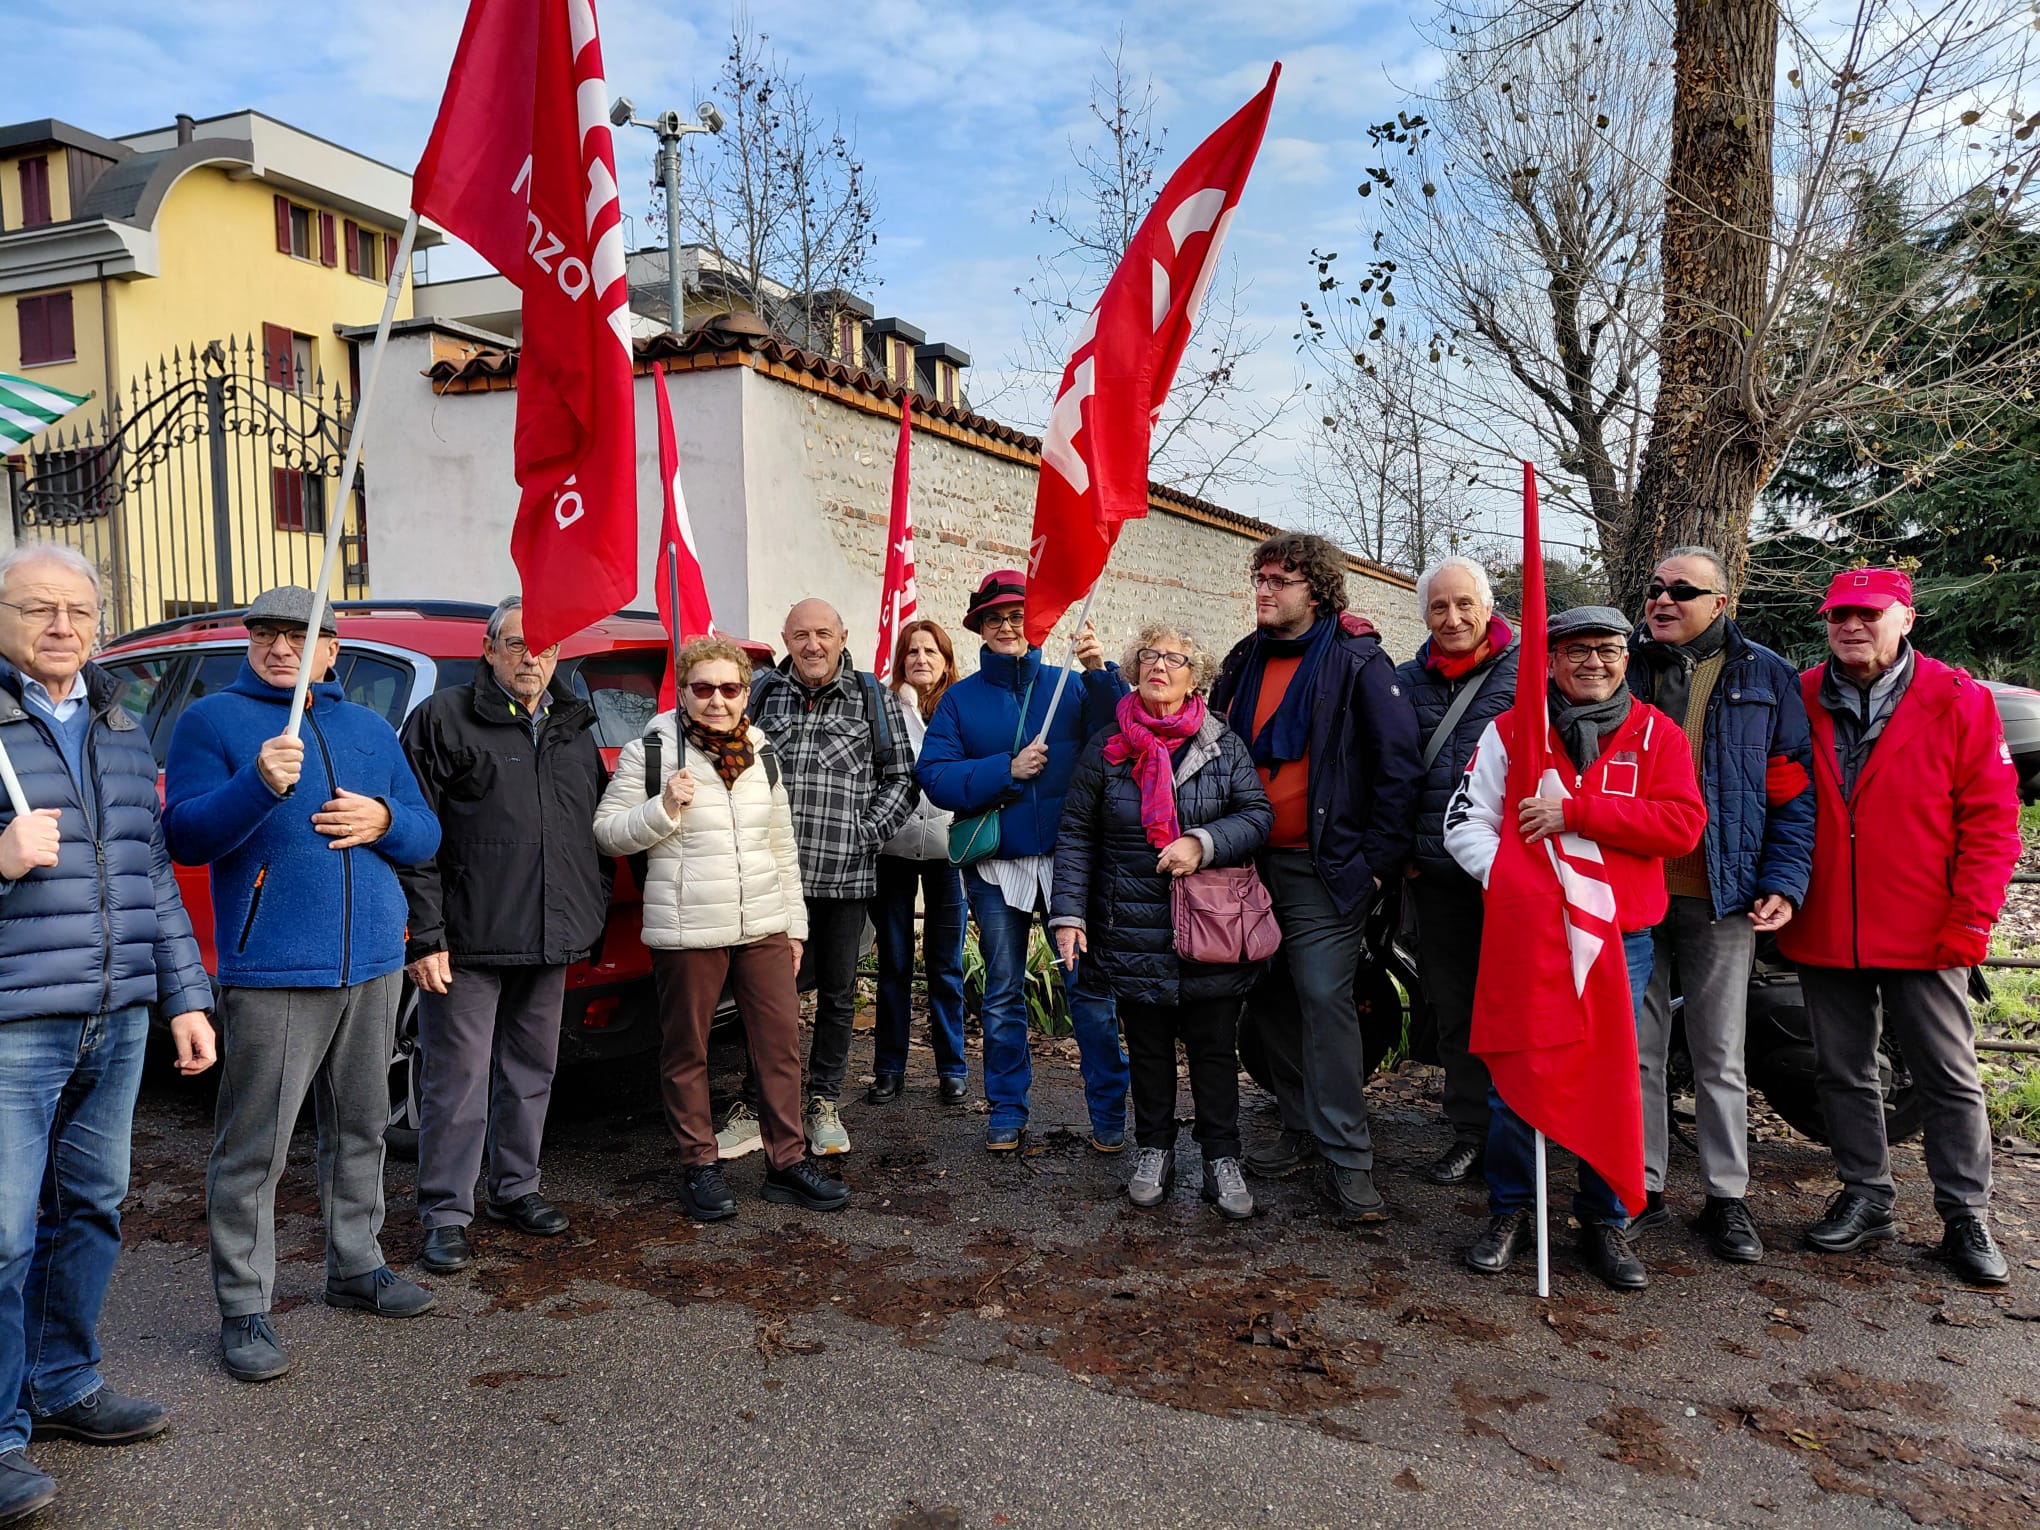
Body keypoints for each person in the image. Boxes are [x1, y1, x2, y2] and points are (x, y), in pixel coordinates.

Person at [163, 585, 442, 1384]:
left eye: (300, 635)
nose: (281, 648)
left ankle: (357, 1265)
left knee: (362, 1128)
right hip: (275, 968)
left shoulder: (368, 728)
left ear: (331, 651)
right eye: (266, 634)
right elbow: (185, 836)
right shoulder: (212, 722)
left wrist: (386, 820)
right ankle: (245, 1306)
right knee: (255, 1147)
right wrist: (256, 783)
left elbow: (425, 831)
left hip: (373, 962)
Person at [0, 545, 214, 1524]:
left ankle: (63, 1382)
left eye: (78, 610)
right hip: (14, 1021)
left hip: (117, 1016)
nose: (61, 626)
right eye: (37, 608)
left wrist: (184, 996)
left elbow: (150, 874)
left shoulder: (121, 727)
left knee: (90, 1207)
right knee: (4, 1235)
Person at [1443, 604, 1705, 1292]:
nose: (1594, 662)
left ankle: (1604, 1218)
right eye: (1577, 650)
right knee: (1516, 1073)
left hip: (1621, 938)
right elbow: (1465, 821)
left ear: (1626, 658)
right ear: (1551, 660)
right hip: (1528, 935)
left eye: (1608, 649)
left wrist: (1578, 812)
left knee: (1611, 1076)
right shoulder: (1511, 732)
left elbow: (1681, 826)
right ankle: (1511, 1209)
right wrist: (1515, 884)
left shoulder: (1657, 735)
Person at [1780, 569, 2022, 1287]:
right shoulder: (1800, 695)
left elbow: (1992, 821)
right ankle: (1866, 1195)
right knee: (1842, 1069)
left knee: (1948, 1074)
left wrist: (1971, 918)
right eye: (1838, 616)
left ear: (1906, 619)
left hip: (1926, 926)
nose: (1851, 626)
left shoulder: (1958, 699)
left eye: (1868, 613)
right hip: (1827, 920)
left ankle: (1965, 1214)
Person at [593, 637, 848, 1220]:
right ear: (683, 693)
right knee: (689, 1049)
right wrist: (663, 807)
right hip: (688, 927)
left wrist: (794, 926)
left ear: (745, 693)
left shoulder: (762, 751)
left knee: (779, 1047)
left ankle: (787, 1163)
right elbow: (606, 833)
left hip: (763, 922)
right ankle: (700, 1165)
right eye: (703, 688)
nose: (716, 700)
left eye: (729, 688)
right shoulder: (651, 751)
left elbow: (781, 846)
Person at [1209, 533, 1421, 1220]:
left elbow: (1398, 767)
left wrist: (1376, 867)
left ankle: (1349, 1160)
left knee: (1324, 995)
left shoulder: (1358, 661)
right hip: (1247, 861)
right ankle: (1300, 1125)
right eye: (1260, 578)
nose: (1264, 590)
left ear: (1318, 591)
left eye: (1281, 580)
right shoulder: (1243, 659)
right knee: (1267, 993)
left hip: (1323, 867)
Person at [398, 597, 608, 1275]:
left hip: (549, 934)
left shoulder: (574, 724)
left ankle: (516, 1189)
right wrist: (425, 935)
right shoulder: (442, 719)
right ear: (488, 650)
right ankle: (445, 1213)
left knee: (530, 1073)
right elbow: (414, 838)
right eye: (516, 644)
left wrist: (592, 908)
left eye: (543, 646)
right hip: (467, 940)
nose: (530, 658)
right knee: (456, 1083)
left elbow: (592, 830)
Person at [1625, 548, 1815, 1264]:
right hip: (1632, 890)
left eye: (1682, 590)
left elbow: (1792, 792)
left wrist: (1784, 880)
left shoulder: (1765, 675)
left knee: (1719, 1053)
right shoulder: (1621, 664)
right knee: (1636, 1049)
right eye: (1655, 588)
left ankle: (1727, 1197)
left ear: (1720, 603)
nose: (1663, 600)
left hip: (1722, 891)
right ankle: (1640, 1186)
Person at [1051, 622, 1273, 1217]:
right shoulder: (1108, 747)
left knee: (1213, 1051)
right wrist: (1068, 914)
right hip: (1131, 925)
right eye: (1149, 655)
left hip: (1212, 925)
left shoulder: (1222, 744)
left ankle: (1221, 1157)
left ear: (1195, 677)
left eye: (1175, 659)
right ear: (1133, 668)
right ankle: (1154, 1149)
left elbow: (1257, 816)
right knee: (1148, 1049)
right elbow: (1076, 833)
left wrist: (1203, 842)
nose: (1159, 666)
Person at [917, 570, 1132, 1152]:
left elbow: (1120, 740)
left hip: (1070, 864)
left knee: (1089, 992)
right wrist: (1004, 770)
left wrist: (1100, 671)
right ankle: (1007, 1110)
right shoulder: (959, 700)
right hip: (997, 865)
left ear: (1036, 623)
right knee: (1003, 992)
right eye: (995, 619)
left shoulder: (1071, 686)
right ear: (980, 628)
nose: (1008, 627)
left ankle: (1109, 1112)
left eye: (1017, 616)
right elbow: (934, 775)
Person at [733, 599, 916, 1159]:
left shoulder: (872, 697)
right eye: (800, 635)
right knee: (767, 996)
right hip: (771, 877)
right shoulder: (762, 695)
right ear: (785, 639)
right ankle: (755, 1104)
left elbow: (903, 779)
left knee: (837, 995)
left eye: (822, 634)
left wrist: (866, 832)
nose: (812, 645)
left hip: (844, 876)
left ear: (842, 636)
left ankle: (823, 1101)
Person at [1394, 556, 1518, 1187]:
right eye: (1439, 606)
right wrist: (1402, 855)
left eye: (1464, 603)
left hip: (1515, 877)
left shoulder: (1529, 673)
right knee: (1456, 1009)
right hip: (1439, 876)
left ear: (1488, 607)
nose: (1453, 617)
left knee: (1519, 1007)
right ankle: (1471, 1131)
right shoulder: (1403, 682)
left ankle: (1523, 1134)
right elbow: (1388, 771)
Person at [868, 618, 969, 1107]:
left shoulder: (962, 707)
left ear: (946, 661)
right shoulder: (885, 708)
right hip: (893, 850)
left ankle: (952, 1068)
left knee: (946, 964)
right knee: (894, 961)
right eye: (912, 651)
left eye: (931, 651)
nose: (921, 659)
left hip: (950, 851)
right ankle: (889, 1068)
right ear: (901, 661)